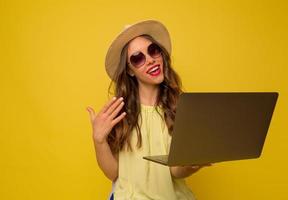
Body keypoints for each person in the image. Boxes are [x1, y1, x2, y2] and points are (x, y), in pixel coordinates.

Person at [86, 20, 211, 200]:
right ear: (130, 70)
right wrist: (99, 140)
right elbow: (114, 173)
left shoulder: (182, 109)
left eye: (153, 50)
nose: (151, 60)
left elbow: (175, 171)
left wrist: (190, 165)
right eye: (138, 58)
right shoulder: (118, 113)